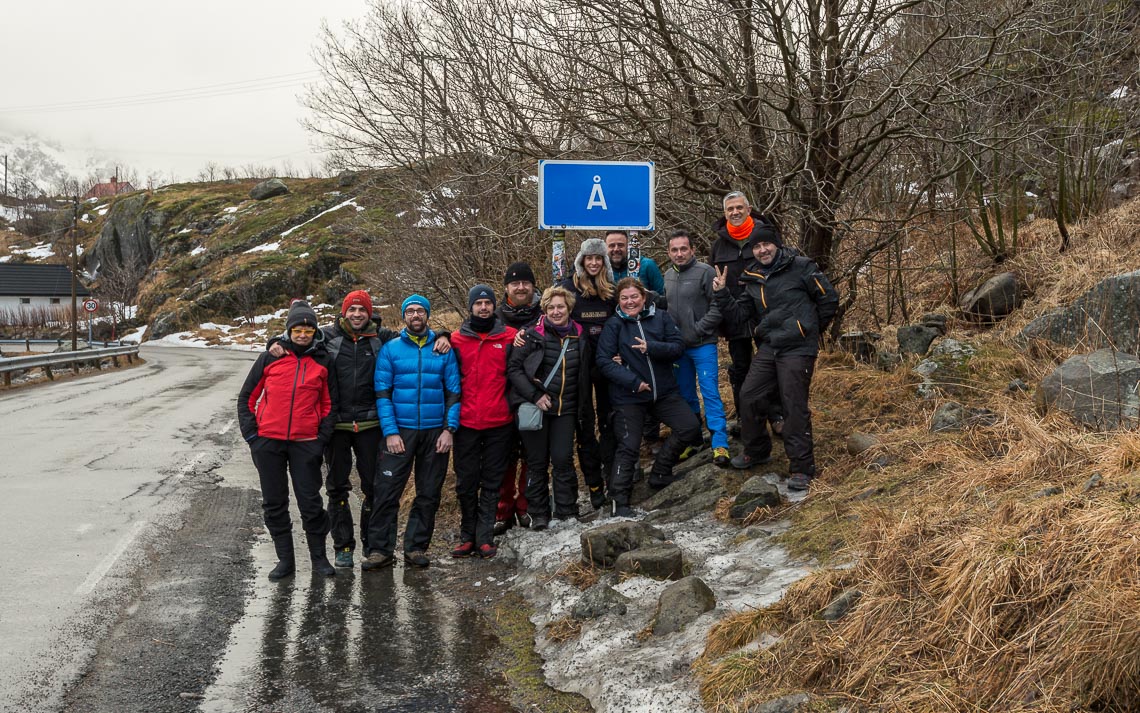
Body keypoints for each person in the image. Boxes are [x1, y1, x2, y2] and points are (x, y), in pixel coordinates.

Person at [267, 290, 452, 568]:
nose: (356, 315)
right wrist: (275, 341)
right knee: (338, 488)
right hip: (337, 426)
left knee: (373, 488)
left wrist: (443, 334)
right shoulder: (327, 337)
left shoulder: (382, 337)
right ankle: (343, 546)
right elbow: (297, 340)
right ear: (344, 312)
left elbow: (416, 332)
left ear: (369, 313)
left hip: (371, 425)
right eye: (351, 310)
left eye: (362, 310)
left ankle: (373, 546)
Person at [713, 227, 838, 491]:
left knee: (793, 403)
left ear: (777, 246)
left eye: (767, 245)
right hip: (770, 347)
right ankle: (757, 450)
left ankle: (802, 468)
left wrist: (808, 330)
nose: (762, 250)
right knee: (749, 394)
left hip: (799, 348)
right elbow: (740, 316)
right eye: (757, 247)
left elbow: (829, 300)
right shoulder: (753, 277)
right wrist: (723, 294)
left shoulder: (802, 267)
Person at [237, 299, 337, 580]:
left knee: (310, 502)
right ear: (289, 331)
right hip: (268, 443)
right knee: (274, 503)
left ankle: (319, 559)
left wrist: (320, 439)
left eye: (308, 329)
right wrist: (252, 436)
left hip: (306, 443)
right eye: (298, 329)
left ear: (314, 331)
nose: (303, 334)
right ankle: (285, 561)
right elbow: (246, 398)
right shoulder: (271, 356)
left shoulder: (323, 360)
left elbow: (330, 405)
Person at [362, 294, 460, 570]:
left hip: (434, 433)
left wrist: (449, 429)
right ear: (404, 316)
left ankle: (416, 547)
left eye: (420, 311)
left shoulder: (443, 349)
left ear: (427, 315)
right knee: (387, 491)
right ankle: (380, 550)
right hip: (400, 432)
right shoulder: (391, 350)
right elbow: (382, 394)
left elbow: (454, 392)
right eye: (411, 311)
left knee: (429, 493)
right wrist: (390, 432)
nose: (416, 315)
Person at [596, 278, 702, 516]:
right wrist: (633, 382)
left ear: (643, 298)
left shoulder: (660, 317)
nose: (629, 302)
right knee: (629, 445)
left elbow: (678, 347)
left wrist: (651, 347)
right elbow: (603, 361)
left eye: (634, 297)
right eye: (624, 298)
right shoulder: (614, 325)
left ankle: (661, 471)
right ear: (619, 301)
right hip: (629, 396)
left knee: (690, 427)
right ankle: (619, 499)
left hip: (663, 392)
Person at [508, 286, 591, 529]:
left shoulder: (580, 335)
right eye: (551, 307)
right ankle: (539, 514)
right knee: (536, 462)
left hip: (565, 409)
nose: (556, 311)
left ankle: (566, 511)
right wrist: (534, 396)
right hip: (535, 409)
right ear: (544, 309)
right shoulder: (531, 335)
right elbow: (514, 369)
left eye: (561, 307)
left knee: (563, 459)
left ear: (569, 309)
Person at [710, 191, 785, 436]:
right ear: (725, 213)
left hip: (765, 312)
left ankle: (777, 416)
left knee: (772, 364)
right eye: (730, 209)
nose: (735, 212)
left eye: (739, 208)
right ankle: (747, 419)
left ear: (748, 208)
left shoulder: (764, 235)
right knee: (740, 368)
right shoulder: (718, 245)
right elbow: (716, 281)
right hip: (734, 315)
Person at [450, 285, 517, 559]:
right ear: (470, 307)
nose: (483, 308)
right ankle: (467, 536)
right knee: (466, 482)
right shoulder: (456, 339)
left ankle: (485, 537)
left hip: (499, 421)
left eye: (488, 303)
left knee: (492, 481)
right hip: (465, 422)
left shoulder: (510, 336)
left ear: (494, 306)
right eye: (478, 303)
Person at [663, 229, 732, 467]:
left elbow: (718, 307)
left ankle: (720, 443)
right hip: (678, 348)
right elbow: (668, 307)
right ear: (669, 253)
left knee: (710, 391)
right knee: (685, 395)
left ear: (692, 250)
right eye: (674, 250)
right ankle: (693, 441)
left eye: (684, 249)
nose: (679, 254)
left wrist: (697, 329)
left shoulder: (705, 272)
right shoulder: (667, 275)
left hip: (703, 345)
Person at [558, 238, 617, 510]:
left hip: (607, 365)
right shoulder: (568, 288)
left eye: (598, 259)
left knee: (609, 422)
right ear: (581, 261)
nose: (593, 263)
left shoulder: (612, 290)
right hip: (577, 367)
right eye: (588, 258)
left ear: (604, 262)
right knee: (585, 426)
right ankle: (593, 485)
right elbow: (548, 319)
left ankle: (612, 477)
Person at [492, 262, 543, 536]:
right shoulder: (495, 316)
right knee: (505, 457)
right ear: (506, 288)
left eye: (525, 282)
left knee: (533, 456)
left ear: (533, 285)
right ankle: (503, 511)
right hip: (501, 397)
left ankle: (526, 507)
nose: (521, 287)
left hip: (536, 396)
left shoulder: (544, 313)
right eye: (515, 283)